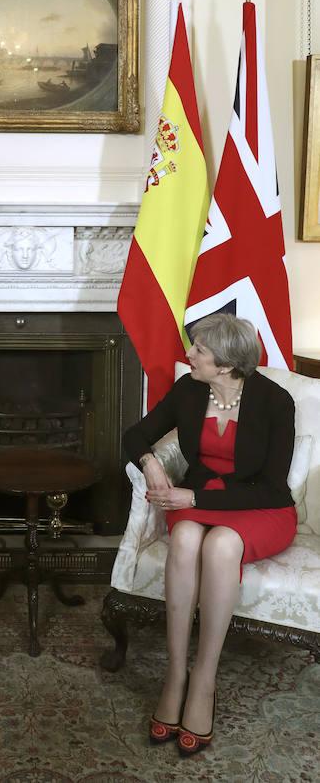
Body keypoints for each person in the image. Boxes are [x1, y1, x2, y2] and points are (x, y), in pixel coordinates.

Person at [123, 313, 297, 756]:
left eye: (199, 350)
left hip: (259, 508)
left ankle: (203, 680)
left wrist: (192, 501)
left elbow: (272, 487)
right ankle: (175, 673)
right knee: (183, 540)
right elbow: (136, 434)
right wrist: (151, 463)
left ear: (225, 364)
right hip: (197, 496)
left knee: (220, 546)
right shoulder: (189, 389)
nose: (189, 355)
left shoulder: (275, 402)